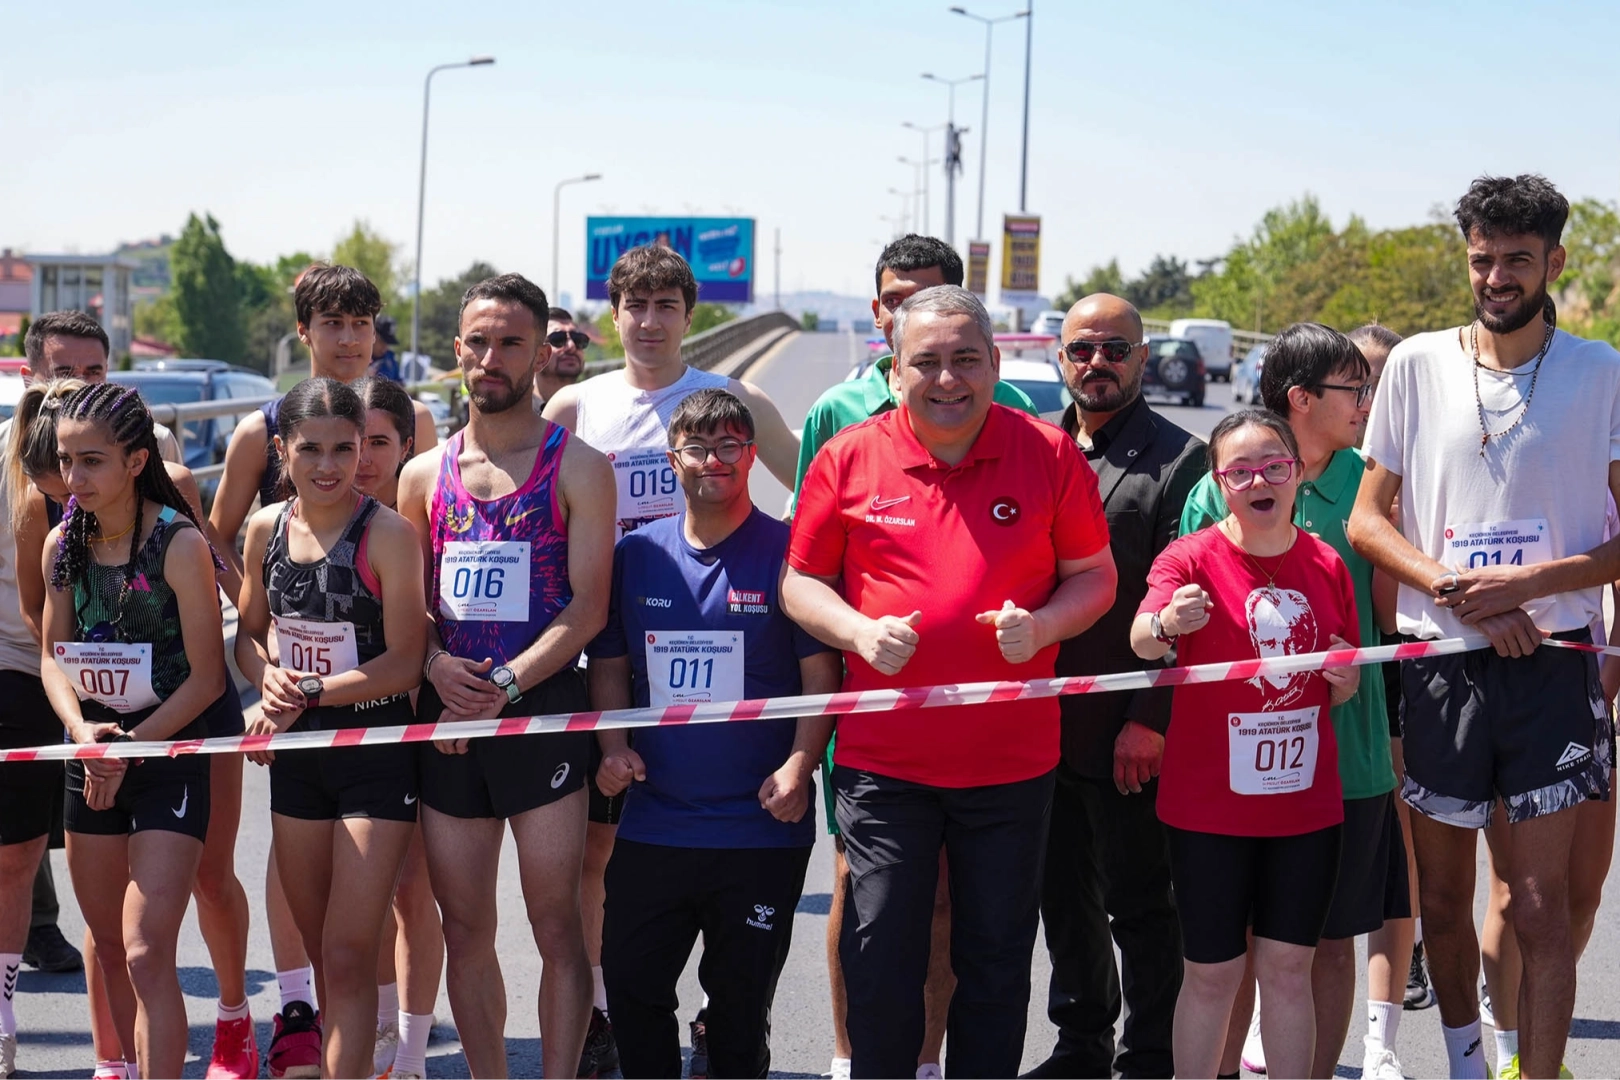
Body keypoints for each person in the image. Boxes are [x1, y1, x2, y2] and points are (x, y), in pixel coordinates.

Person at [783, 285, 1117, 1076]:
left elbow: (1096, 577)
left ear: (995, 363)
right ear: (894, 369)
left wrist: (1044, 626)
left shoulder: (1049, 453)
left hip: (1011, 765)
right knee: (879, 955)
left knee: (996, 960)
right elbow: (800, 584)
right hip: (883, 764)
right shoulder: (848, 455)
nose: (946, 379)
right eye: (926, 361)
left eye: (966, 359)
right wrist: (858, 632)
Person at [1349, 174, 1620, 1080]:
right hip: (1441, 666)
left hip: (1552, 668)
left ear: (1555, 262)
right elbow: (1368, 521)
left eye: (1516, 260)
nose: (1496, 277)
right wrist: (1452, 587)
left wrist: (1535, 584)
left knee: (1540, 908)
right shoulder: (1417, 364)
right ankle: (1469, 1065)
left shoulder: (1602, 372)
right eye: (1482, 259)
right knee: (1441, 903)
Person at [542, 243, 801, 1072]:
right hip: (612, 642)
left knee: (709, 876)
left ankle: (725, 1026)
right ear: (613, 314)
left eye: (666, 307)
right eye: (635, 306)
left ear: (691, 316)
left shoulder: (733, 399)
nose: (649, 323)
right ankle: (608, 1012)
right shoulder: (577, 405)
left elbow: (817, 491)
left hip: (723, 624)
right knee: (600, 854)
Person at [207, 263, 436, 1079]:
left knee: (348, 951)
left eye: (348, 448)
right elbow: (248, 635)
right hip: (299, 761)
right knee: (319, 953)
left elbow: (405, 662)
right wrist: (264, 674)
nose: (332, 465)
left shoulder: (390, 536)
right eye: (312, 450)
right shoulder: (265, 528)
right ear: (283, 452)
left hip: (376, 753)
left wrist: (305, 691)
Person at [12, 328, 255, 1080]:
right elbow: (52, 656)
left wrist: (129, 746)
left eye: (91, 461)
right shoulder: (62, 544)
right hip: (94, 755)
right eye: (65, 462)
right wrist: (83, 732)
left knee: (149, 950)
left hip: (167, 751)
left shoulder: (177, 543)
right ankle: (116, 1062)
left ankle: (230, 1026)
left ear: (136, 462)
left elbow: (208, 679)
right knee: (110, 944)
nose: (72, 478)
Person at [397, 272, 613, 1080]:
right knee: (464, 929)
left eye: (511, 343)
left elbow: (589, 607)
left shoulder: (579, 467)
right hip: (451, 716)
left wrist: (507, 687)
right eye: (479, 343)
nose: (492, 359)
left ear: (539, 353)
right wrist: (435, 665)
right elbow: (411, 609)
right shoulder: (423, 476)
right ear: (458, 350)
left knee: (557, 925)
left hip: (540, 710)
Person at [588, 388, 840, 1077]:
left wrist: (800, 766)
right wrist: (613, 748)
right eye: (698, 447)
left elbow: (822, 676)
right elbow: (609, 664)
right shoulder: (637, 555)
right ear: (673, 459)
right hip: (656, 823)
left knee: (737, 1010)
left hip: (760, 827)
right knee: (632, 987)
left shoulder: (790, 553)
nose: (714, 460)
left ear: (752, 455)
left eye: (730, 445)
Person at [1181, 325, 1407, 1080]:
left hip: (1348, 758)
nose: (1367, 403)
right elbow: (1179, 618)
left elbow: (1388, 619)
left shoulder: (1373, 484)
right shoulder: (1213, 489)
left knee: (1328, 945)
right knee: (1235, 951)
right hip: (1231, 767)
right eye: (1355, 389)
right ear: (1301, 398)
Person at [1135, 408, 1359, 1080]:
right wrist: (1168, 622)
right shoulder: (1190, 558)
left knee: (1288, 968)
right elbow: (1141, 640)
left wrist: (1344, 679)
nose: (1259, 480)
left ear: (1296, 473)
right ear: (1218, 483)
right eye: (1240, 471)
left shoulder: (1326, 562)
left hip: (1303, 808)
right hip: (1209, 809)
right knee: (1213, 972)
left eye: (1274, 466)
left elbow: (1340, 680)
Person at [1022, 294, 1205, 1080]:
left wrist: (1150, 718)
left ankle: (1151, 1054)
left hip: (1127, 727)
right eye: (1082, 350)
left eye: (1115, 350)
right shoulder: (1035, 447)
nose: (1097, 363)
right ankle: (1082, 1044)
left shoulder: (1181, 460)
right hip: (1036, 723)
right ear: (1061, 357)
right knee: (1062, 898)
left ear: (1143, 358)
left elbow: (1187, 602)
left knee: (1142, 904)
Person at [350, 375, 445, 1080]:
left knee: (414, 891)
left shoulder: (422, 517)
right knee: (358, 895)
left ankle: (410, 1055)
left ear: (406, 447)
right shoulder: (305, 521)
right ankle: (378, 1032)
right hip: (342, 734)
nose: (361, 459)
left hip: (418, 720)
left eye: (378, 442)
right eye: (349, 442)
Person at [1346, 323, 1437, 1025]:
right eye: (1357, 382)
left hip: (1403, 660)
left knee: (1405, 819)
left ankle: (1410, 948)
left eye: (1378, 382)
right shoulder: (1307, 463)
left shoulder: (1414, 461)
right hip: (1335, 665)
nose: (1369, 397)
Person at [532, 307, 589, 407]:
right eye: (558, 339)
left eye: (577, 339)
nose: (571, 346)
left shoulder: (596, 408)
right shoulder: (514, 412)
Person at [370, 316, 402, 383]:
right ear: (373, 334)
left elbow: (398, 381)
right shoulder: (359, 358)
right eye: (382, 341)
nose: (385, 346)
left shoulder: (390, 358)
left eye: (388, 342)